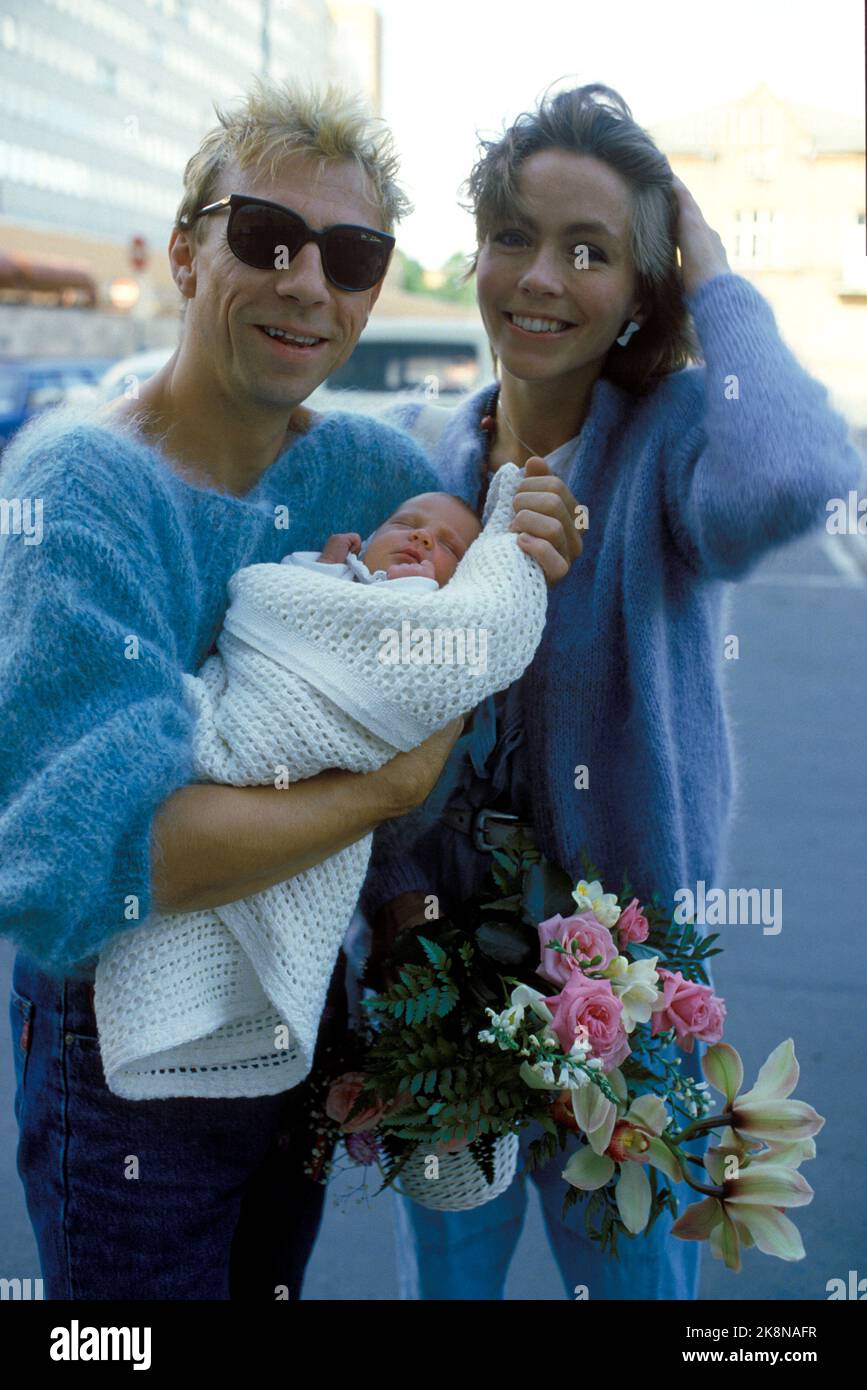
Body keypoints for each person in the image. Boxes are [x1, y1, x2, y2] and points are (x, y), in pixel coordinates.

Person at [0, 77, 580, 1301]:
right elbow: (92, 861)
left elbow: (462, 635)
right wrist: (393, 781)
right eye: (266, 236)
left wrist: (523, 538)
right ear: (183, 253)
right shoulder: (82, 496)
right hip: (123, 1062)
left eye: (354, 254)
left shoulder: (376, 473)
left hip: (303, 1009)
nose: (309, 282)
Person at [359, 81, 862, 1301]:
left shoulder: (670, 448)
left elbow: (799, 473)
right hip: (443, 1012)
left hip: (623, 1021)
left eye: (591, 252)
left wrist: (720, 275)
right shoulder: (432, 460)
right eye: (516, 237)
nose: (540, 276)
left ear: (645, 288)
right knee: (453, 1290)